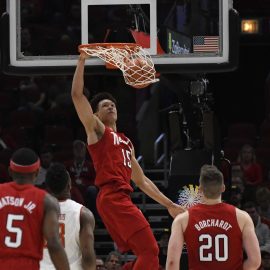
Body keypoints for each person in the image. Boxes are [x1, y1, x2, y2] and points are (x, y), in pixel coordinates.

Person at [71, 52, 184, 270]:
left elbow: (142, 181)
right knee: (150, 251)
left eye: (113, 104)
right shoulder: (97, 131)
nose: (111, 106)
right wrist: (82, 60)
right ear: (95, 114)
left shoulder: (126, 142)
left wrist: (169, 204)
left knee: (145, 254)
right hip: (112, 197)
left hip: (120, 199)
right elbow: (77, 96)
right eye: (105, 105)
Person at [166, 164, 261, 270]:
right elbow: (255, 261)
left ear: (200, 189)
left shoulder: (182, 219)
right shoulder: (242, 217)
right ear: (223, 188)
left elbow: (171, 263)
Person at [0, 147, 70, 270]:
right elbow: (53, 244)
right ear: (37, 172)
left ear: (10, 171)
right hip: (28, 265)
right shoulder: (47, 201)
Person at [40, 162, 96, 270]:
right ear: (69, 184)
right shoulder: (83, 214)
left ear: (47, 187)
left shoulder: (36, 211)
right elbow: (88, 257)